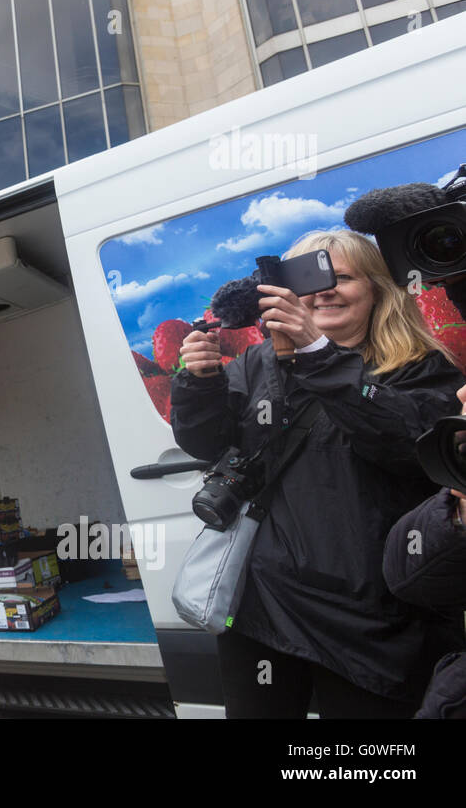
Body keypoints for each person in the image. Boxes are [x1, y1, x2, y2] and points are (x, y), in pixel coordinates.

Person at [171, 229, 465, 717]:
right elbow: (207, 443)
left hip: (368, 618)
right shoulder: (259, 361)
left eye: (342, 277)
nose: (324, 291)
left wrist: (318, 356)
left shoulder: (421, 368)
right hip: (261, 604)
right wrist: (198, 384)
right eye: (308, 279)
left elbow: (409, 447)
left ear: (375, 289)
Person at [382, 381, 466, 718]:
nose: (461, 393)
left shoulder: (423, 372)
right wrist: (458, 514)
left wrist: (320, 357)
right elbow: (406, 575)